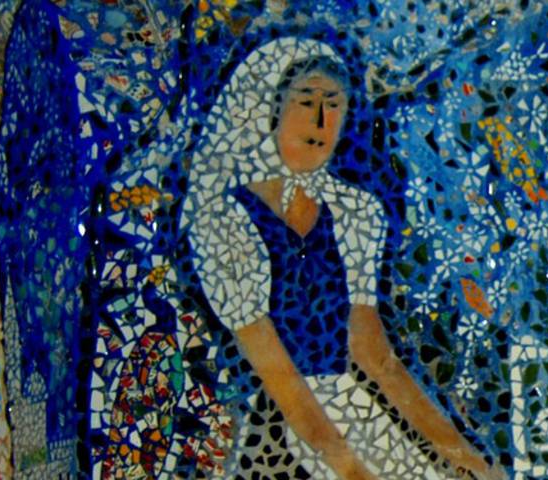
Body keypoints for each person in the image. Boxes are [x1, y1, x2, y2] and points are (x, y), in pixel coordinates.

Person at [185, 37, 501, 480]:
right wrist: (351, 470)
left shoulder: (354, 213)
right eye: (306, 100)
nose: (320, 121)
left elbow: (375, 355)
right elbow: (278, 374)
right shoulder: (225, 222)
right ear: (271, 107)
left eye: (333, 104)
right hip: (284, 429)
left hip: (352, 408)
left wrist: (463, 455)